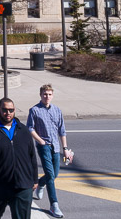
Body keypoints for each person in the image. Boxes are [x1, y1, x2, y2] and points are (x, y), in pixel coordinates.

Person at [0, 98, 38, 219]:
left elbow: (32, 156)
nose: (8, 113)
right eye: (4, 110)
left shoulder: (23, 130)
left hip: (22, 185)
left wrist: (34, 179)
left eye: (11, 110)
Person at [26, 84, 74, 218]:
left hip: (56, 146)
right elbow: (30, 128)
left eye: (49, 94)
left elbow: (62, 131)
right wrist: (40, 140)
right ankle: (54, 205)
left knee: (54, 174)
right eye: (45, 94)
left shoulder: (57, 110)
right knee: (50, 175)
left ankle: (40, 183)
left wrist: (65, 149)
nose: (47, 97)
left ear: (52, 95)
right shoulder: (34, 110)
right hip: (43, 146)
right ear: (40, 95)